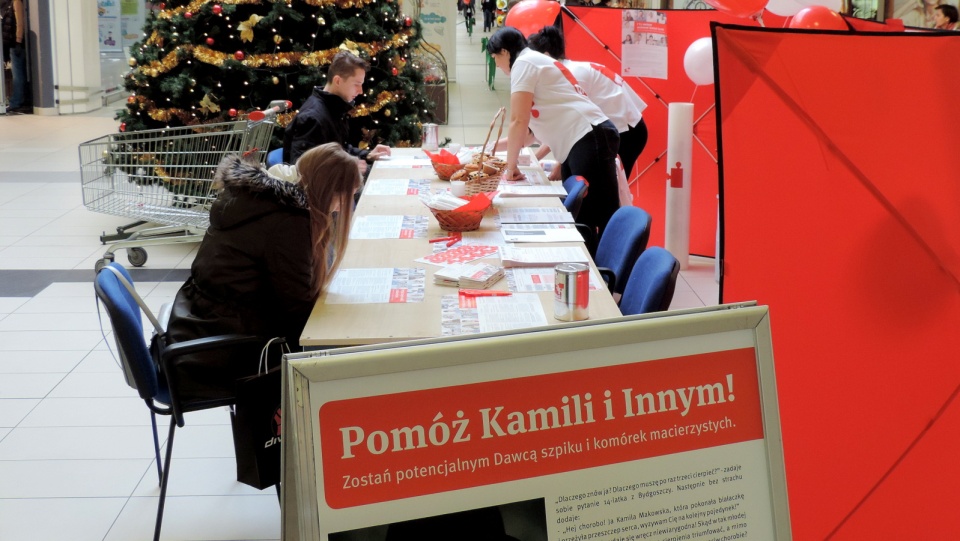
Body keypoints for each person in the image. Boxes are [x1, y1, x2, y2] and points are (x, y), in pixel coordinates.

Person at [164, 143, 361, 400]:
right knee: (343, 350)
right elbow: (296, 308)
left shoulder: (257, 201)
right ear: (327, 190)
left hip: (198, 324)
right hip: (227, 350)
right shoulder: (289, 221)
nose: (338, 209)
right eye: (343, 199)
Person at [486, 26, 621, 236]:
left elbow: (518, 120)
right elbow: (526, 133)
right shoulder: (532, 61)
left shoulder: (523, 63)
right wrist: (490, 149)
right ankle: (592, 263)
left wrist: (510, 167)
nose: (496, 63)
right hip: (585, 137)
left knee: (594, 215)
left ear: (504, 52)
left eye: (495, 57)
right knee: (581, 215)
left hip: (588, 135)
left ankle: (602, 266)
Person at [529, 25, 648, 184]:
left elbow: (570, 126)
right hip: (619, 127)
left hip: (627, 132)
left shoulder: (570, 75)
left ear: (546, 56)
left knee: (611, 188)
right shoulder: (569, 69)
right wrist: (535, 159)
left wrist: (557, 161)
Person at [282, 51, 390, 170]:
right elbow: (302, 170)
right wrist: (347, 168)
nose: (361, 91)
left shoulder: (334, 107)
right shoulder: (312, 118)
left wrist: (367, 155)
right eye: (357, 84)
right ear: (337, 81)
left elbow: (340, 149)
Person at [1, 0, 28, 113]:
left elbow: (19, 22)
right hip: (12, 44)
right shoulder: (7, 4)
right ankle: (16, 100)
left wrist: (18, 41)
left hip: (15, 44)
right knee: (17, 74)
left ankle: (16, 102)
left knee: (17, 75)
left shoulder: (16, 2)